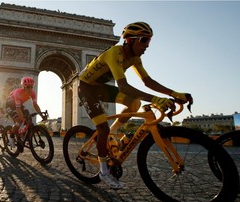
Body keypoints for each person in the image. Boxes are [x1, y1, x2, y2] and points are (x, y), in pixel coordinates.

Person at [78, 22, 192, 189]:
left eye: (149, 41)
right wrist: (155, 99)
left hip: (100, 87)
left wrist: (173, 94)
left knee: (135, 103)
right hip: (86, 87)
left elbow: (148, 81)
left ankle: (113, 134)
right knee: (102, 128)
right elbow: (123, 86)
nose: (147, 46)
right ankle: (103, 172)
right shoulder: (114, 53)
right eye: (144, 40)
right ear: (130, 41)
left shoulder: (135, 58)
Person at [5, 76, 46, 147]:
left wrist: (41, 114)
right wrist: (23, 119)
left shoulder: (32, 93)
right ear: (23, 86)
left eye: (31, 87)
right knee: (19, 121)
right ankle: (11, 136)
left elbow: (35, 105)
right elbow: (18, 109)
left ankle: (27, 139)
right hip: (10, 105)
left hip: (19, 105)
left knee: (29, 119)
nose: (30, 89)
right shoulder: (18, 93)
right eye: (28, 87)